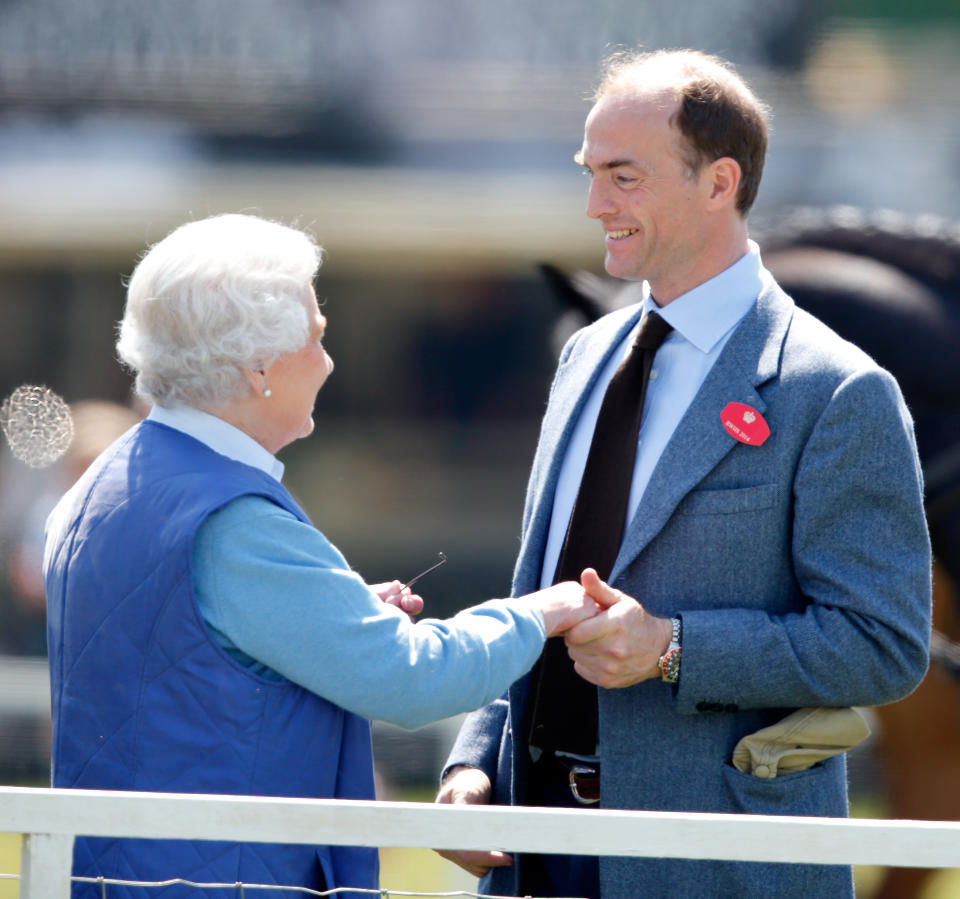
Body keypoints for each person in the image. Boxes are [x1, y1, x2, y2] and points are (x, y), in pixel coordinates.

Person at [435, 48, 932, 898]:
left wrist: (671, 648)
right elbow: (542, 587)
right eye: (591, 174)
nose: (596, 205)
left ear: (719, 181)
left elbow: (883, 644)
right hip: (531, 851)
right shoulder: (586, 356)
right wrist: (475, 761)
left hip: (715, 865)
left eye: (624, 176)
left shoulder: (837, 388)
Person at [42, 213, 603, 898]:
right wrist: (542, 610)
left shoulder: (106, 481)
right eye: (315, 336)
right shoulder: (231, 518)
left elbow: (192, 644)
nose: (329, 359)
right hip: (227, 880)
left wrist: (333, 608)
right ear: (257, 367)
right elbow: (411, 678)